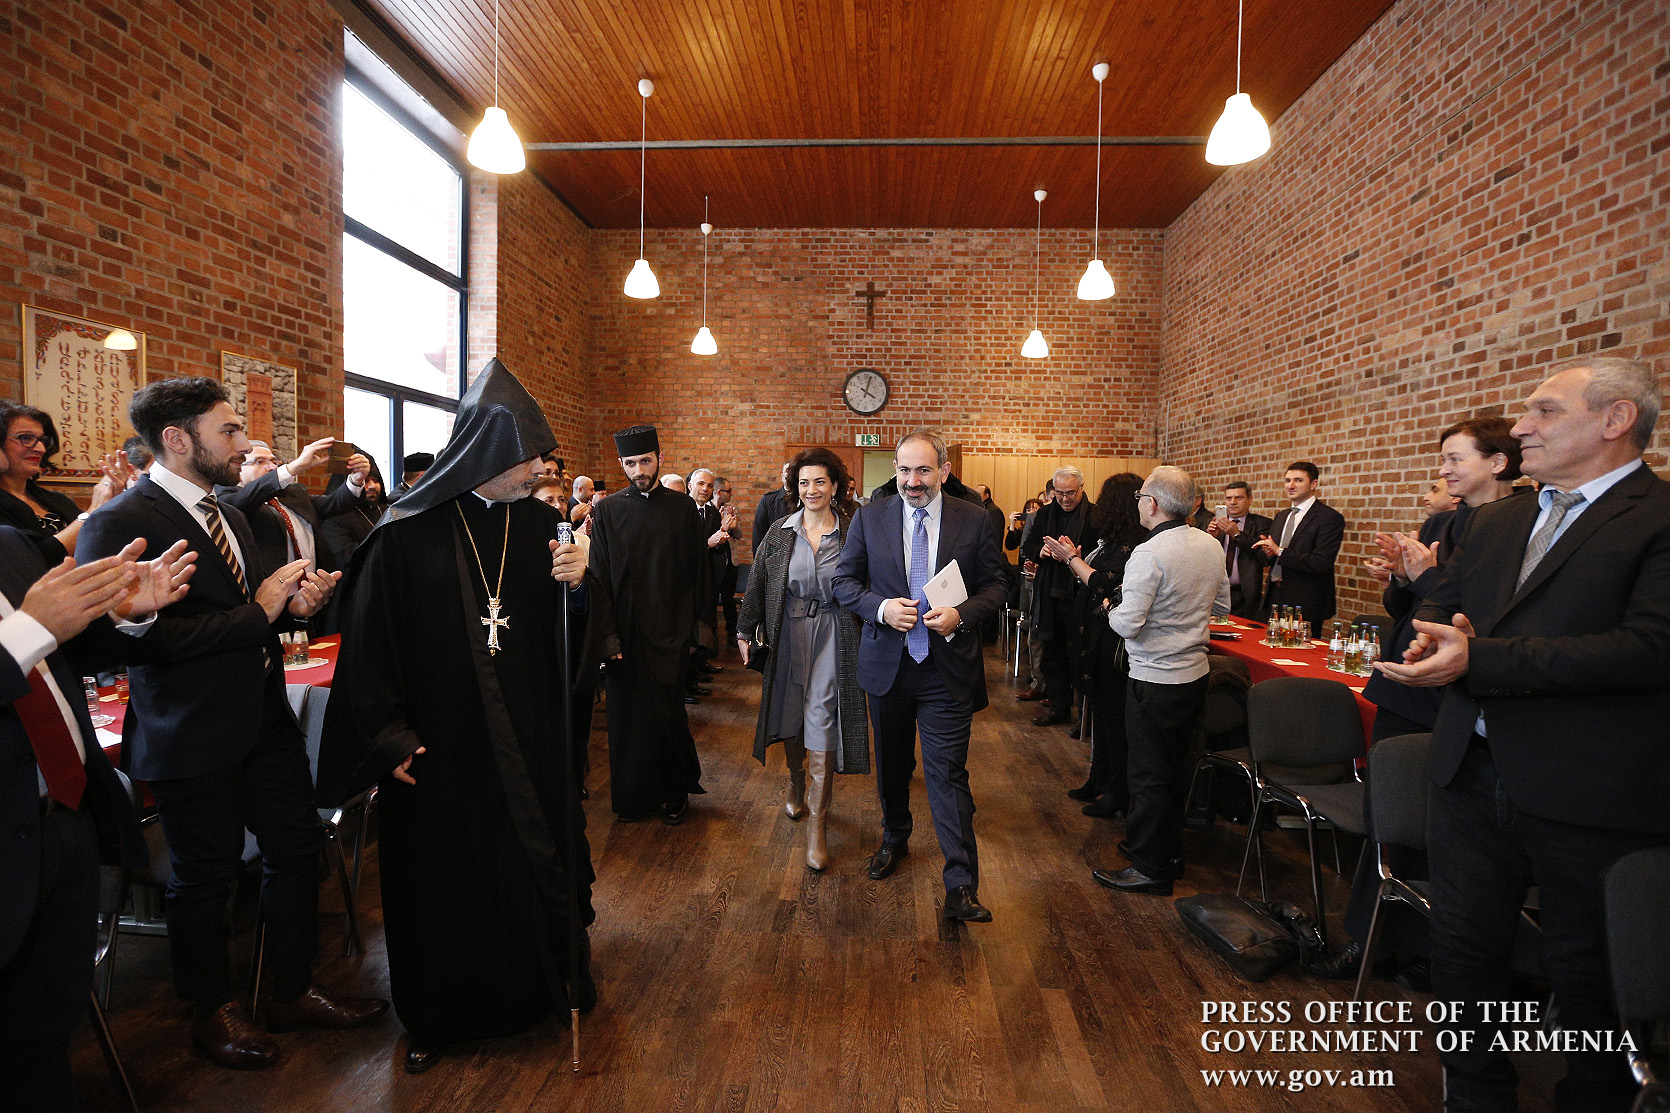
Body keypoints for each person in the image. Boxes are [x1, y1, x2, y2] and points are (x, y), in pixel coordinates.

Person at [1377, 357, 1670, 1113]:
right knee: (1463, 955)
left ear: (1615, 420)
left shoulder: (1658, 518)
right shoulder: (1498, 519)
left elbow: (1650, 648)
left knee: (1587, 972)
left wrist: (1482, 658)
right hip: (1471, 773)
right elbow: (1455, 607)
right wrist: (1433, 635)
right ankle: (1474, 1097)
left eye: (1543, 410)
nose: (1520, 427)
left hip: (1588, 791)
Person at [77, 376, 383, 1069]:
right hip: (188, 728)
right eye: (229, 431)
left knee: (297, 851)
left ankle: (293, 988)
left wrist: (292, 610)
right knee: (205, 877)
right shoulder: (118, 522)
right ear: (178, 439)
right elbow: (107, 645)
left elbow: (249, 617)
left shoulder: (234, 516)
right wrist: (260, 613)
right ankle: (211, 1009)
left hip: (263, 718)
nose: (243, 444)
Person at [317, 358, 596, 1074]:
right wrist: (388, 740)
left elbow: (571, 642)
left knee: (525, 865)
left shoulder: (544, 526)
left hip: (528, 740)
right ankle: (438, 1015)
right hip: (438, 751)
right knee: (444, 883)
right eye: (529, 457)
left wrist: (578, 590)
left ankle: (537, 989)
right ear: (486, 453)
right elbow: (368, 648)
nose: (540, 469)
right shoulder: (403, 535)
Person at [0, 515, 194, 1109]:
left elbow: (65, 655)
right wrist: (28, 632)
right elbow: (30, 641)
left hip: (65, 818)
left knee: (46, 1031)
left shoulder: (9, 545)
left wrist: (125, 616)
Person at [832, 429, 1008, 923]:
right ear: (895, 470)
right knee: (892, 765)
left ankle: (961, 884)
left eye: (924, 470)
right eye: (905, 470)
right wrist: (881, 608)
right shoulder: (870, 517)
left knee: (947, 773)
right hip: (887, 666)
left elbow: (997, 584)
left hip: (946, 670)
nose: (913, 480)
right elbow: (844, 581)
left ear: (944, 472)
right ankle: (895, 837)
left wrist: (962, 615)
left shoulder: (974, 519)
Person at [1091, 466, 1229, 897]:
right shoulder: (1209, 544)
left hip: (1154, 677)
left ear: (1151, 504)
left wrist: (1110, 607)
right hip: (1195, 674)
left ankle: (1149, 867)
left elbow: (1127, 625)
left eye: (1140, 498)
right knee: (1176, 769)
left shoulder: (1148, 553)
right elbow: (1222, 607)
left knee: (1148, 775)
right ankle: (1168, 854)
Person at [737, 448, 869, 870]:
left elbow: (869, 581)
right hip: (787, 633)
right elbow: (758, 580)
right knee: (791, 711)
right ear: (795, 487)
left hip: (834, 632)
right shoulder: (780, 532)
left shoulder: (852, 532)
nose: (812, 490)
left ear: (835, 487)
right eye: (804, 482)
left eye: (820, 482)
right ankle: (796, 781)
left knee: (822, 715)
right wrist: (744, 629)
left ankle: (817, 825)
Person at [588, 424, 707, 822]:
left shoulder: (682, 508)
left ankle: (675, 792)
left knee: (667, 715)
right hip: (623, 634)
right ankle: (634, 799)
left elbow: (697, 573)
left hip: (671, 632)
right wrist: (607, 638)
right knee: (628, 719)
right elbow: (599, 577)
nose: (638, 470)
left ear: (659, 459)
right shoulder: (607, 511)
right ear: (621, 464)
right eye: (630, 463)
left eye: (645, 461)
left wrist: (697, 633)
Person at [1042, 472, 1148, 818]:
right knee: (1101, 715)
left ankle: (1116, 790)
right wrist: (1077, 559)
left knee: (1114, 720)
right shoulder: (1114, 540)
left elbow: (1104, 584)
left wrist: (1072, 560)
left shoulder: (1134, 540)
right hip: (1097, 636)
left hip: (1113, 643)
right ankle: (1099, 777)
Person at [219, 437, 370, 577]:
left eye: (274, 461)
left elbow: (333, 505)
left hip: (313, 584)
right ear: (238, 468)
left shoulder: (292, 493)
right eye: (259, 462)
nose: (272, 467)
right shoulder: (228, 496)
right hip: (270, 588)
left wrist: (356, 480)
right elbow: (241, 502)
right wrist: (293, 468)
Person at [1021, 466, 1098, 728]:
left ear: (1082, 488)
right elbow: (1028, 546)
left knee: (1079, 655)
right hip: (1050, 592)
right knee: (1052, 654)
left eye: (1071, 493)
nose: (1065, 499)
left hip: (1080, 594)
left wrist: (1076, 556)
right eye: (1059, 494)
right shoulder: (1044, 514)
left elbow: (1101, 553)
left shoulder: (1094, 515)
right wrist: (1042, 552)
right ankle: (1059, 707)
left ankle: (1085, 717)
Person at [1253, 461, 1345, 628]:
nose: (1291, 485)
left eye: (1298, 480)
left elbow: (1321, 562)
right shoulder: (1282, 516)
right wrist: (1268, 552)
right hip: (1274, 595)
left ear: (1313, 484)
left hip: (1305, 600)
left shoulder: (1328, 518)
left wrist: (1279, 551)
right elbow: (1271, 556)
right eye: (1287, 480)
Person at [0, 402, 85, 540]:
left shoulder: (58, 500)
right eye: (25, 438)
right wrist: (93, 511)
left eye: (43, 440)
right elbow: (39, 552)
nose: (41, 449)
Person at [1205, 480, 1273, 619]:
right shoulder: (1213, 523)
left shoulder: (1262, 523)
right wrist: (1210, 538)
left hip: (1245, 593)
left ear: (1250, 500)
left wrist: (1237, 534)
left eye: (1239, 498)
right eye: (1229, 498)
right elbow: (1201, 558)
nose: (1233, 502)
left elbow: (1263, 556)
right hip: (1217, 592)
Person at [319, 455, 390, 567]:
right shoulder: (334, 518)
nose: (372, 486)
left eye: (375, 480)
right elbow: (346, 558)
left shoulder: (387, 511)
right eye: (365, 480)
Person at [713, 476, 742, 640]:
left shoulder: (732, 510)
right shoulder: (708, 510)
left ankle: (732, 635)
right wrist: (721, 524)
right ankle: (711, 636)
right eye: (728, 491)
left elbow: (739, 534)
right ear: (719, 492)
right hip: (713, 561)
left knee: (728, 598)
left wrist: (732, 525)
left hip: (730, 561)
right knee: (710, 600)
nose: (731, 494)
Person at [751, 462, 794, 556]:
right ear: (782, 476)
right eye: (787, 471)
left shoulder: (805, 500)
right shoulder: (768, 500)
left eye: (793, 471)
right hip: (774, 556)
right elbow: (759, 534)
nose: (789, 475)